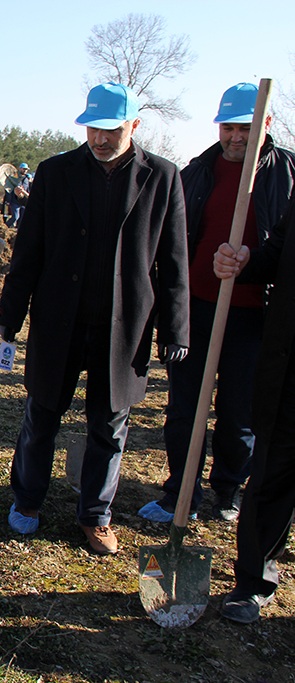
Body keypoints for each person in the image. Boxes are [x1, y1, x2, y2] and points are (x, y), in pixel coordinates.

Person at [0, 82, 190, 555]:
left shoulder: (162, 177)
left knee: (110, 424)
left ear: (134, 126)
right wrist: (10, 315)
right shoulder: (56, 172)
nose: (100, 139)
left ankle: (96, 515)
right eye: (93, 129)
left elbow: (174, 259)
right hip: (59, 318)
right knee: (42, 414)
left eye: (112, 130)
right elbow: (29, 250)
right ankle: (27, 499)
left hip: (123, 327)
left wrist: (176, 327)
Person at [139, 82, 295, 524]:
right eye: (229, 127)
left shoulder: (287, 174)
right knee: (184, 408)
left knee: (238, 412)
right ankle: (179, 492)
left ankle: (228, 491)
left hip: (255, 315)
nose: (236, 137)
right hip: (195, 309)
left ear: (266, 123)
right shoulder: (196, 172)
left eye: (246, 128)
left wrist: (253, 262)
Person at [214, 194, 295, 623]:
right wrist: (245, 260)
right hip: (288, 365)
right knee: (272, 475)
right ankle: (253, 580)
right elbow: (277, 252)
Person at [5, 163, 30, 227]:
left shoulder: (26, 179)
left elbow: (27, 190)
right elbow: (9, 189)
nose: (25, 170)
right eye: (24, 169)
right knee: (15, 217)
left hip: (23, 202)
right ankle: (4, 227)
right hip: (15, 201)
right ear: (20, 168)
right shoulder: (14, 177)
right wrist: (8, 200)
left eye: (26, 169)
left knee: (22, 218)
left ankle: (18, 230)